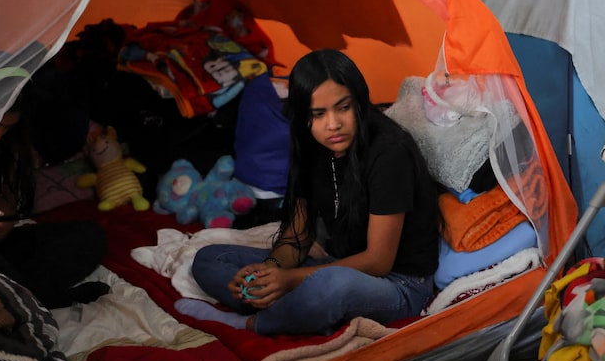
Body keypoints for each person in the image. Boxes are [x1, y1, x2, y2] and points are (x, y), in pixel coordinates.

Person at [187, 49, 439, 336]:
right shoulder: (309, 145)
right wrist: (269, 272)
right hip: (334, 263)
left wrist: (290, 279)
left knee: (332, 286)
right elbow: (299, 234)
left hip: (397, 284)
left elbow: (378, 261)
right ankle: (267, 299)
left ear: (359, 102)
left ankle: (252, 322)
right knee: (208, 258)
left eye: (343, 108)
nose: (333, 124)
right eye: (318, 114)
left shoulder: (389, 152)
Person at [0, 82, 108, 310]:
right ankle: (35, 300)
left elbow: (9, 208)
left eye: (5, 128)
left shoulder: (3, 148)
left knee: (90, 238)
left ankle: (12, 296)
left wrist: (1, 224)